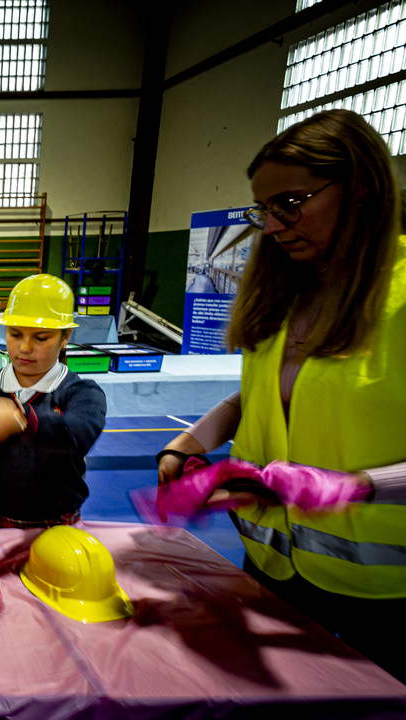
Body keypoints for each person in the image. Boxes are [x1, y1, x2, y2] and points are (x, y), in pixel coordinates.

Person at [156, 109, 406, 682]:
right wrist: (187, 443)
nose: (271, 226)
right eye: (263, 209)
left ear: (361, 189)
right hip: (273, 564)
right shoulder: (283, 296)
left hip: (384, 591)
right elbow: (255, 398)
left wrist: (360, 486)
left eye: (290, 203)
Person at [0, 274, 106, 529]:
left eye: (41, 338)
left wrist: (21, 419)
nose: (25, 347)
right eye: (15, 334)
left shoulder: (81, 393)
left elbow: (78, 434)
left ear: (65, 339)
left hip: (55, 527)